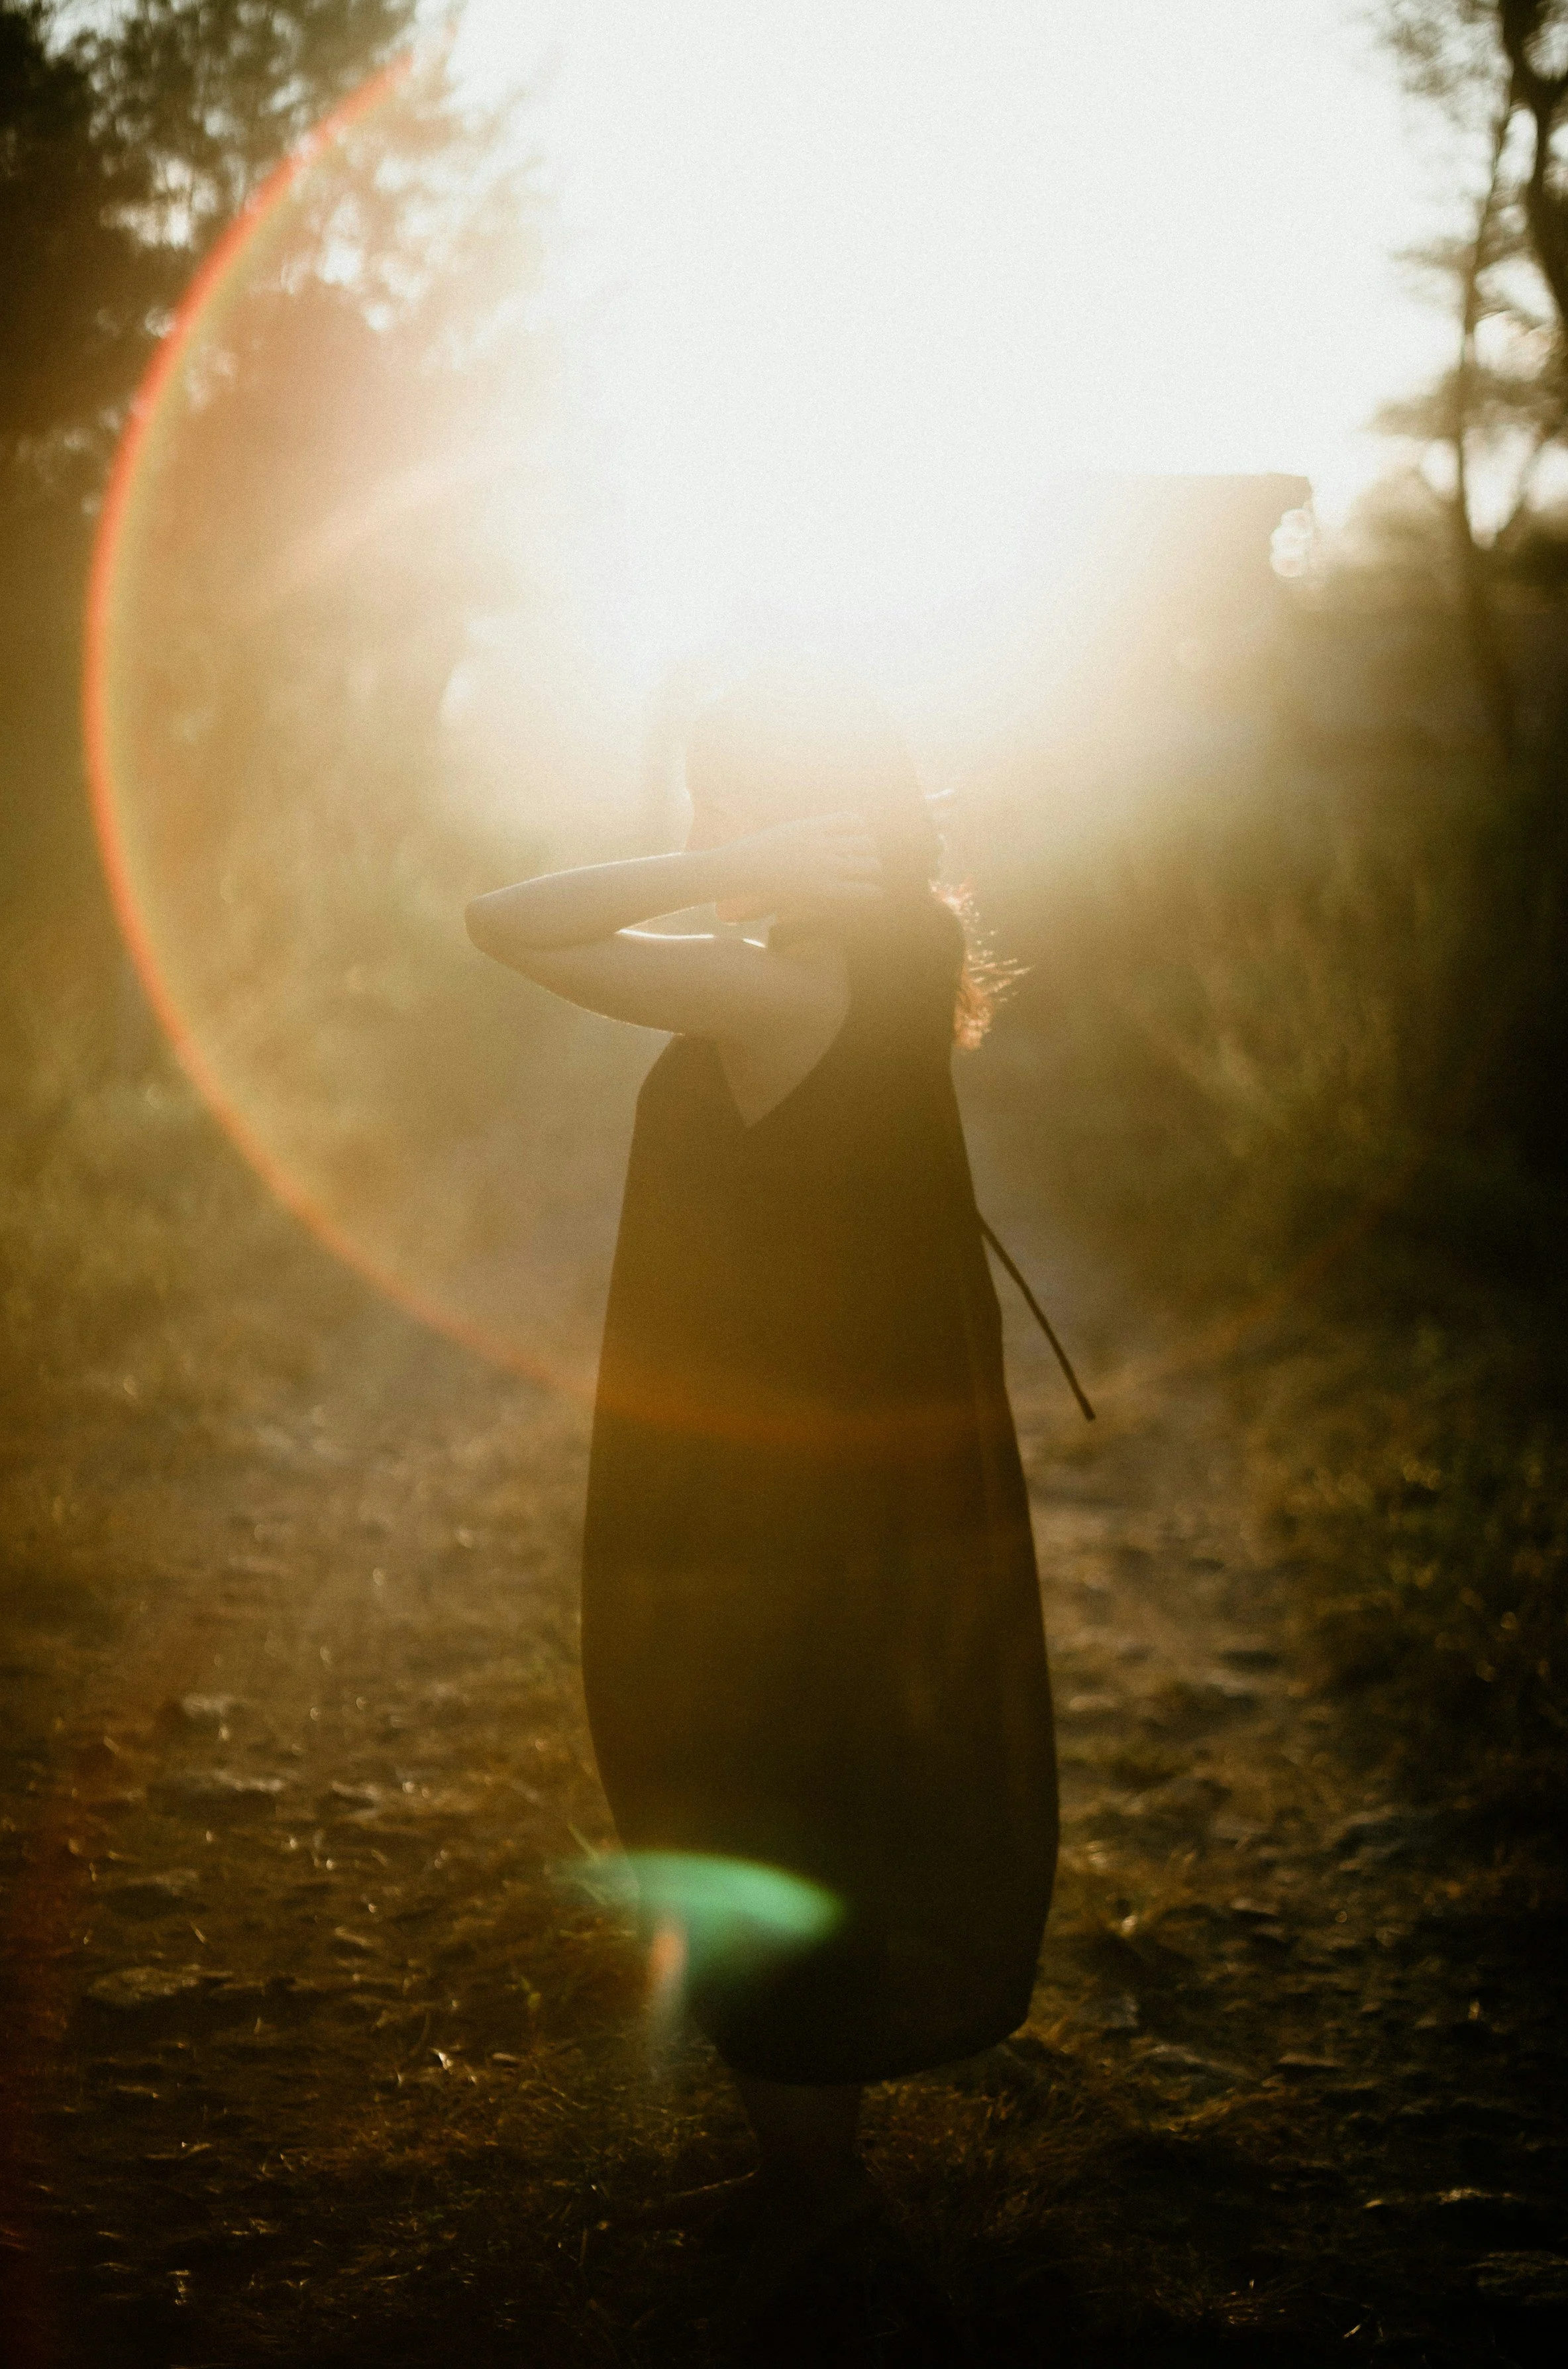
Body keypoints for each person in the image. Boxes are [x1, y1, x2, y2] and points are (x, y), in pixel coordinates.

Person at [466, 668, 1058, 2291]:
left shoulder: (785, 985)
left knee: (745, 1784)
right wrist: (783, 867)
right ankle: (813, 2186)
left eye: (726, 800)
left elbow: (505, 918)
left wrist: (745, 865)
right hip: (822, 1466)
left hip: (752, 1485)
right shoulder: (860, 966)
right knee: (805, 1790)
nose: (702, 825)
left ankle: (819, 2201)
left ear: (800, 818)